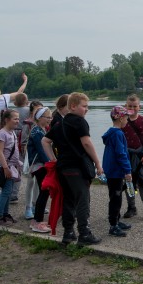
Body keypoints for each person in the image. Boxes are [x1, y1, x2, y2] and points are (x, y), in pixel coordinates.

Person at [45, 92, 103, 246]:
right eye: (84, 106)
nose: (86, 110)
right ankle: (84, 233)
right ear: (73, 106)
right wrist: (98, 163)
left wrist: (53, 159)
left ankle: (68, 232)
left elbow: (45, 141)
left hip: (63, 167)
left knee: (69, 200)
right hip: (77, 167)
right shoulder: (79, 122)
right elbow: (86, 143)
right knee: (83, 199)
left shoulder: (59, 123)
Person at [101, 105, 135, 238]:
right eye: (126, 117)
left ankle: (117, 220)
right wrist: (128, 171)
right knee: (116, 198)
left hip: (112, 171)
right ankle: (113, 225)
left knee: (116, 196)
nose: (128, 119)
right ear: (120, 118)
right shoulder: (118, 134)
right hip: (116, 172)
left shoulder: (112, 133)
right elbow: (121, 154)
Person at [0, 108, 23, 225]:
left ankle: (5, 214)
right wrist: (5, 168)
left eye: (18, 119)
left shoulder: (12, 132)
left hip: (12, 166)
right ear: (7, 120)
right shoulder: (2, 133)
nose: (17, 121)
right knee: (6, 191)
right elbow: (0, 152)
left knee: (8, 191)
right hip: (6, 166)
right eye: (15, 119)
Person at [26, 106, 54, 233]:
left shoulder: (42, 129)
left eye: (50, 117)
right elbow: (42, 151)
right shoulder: (37, 132)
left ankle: (37, 220)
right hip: (39, 166)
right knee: (44, 192)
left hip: (42, 165)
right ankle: (37, 221)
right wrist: (51, 164)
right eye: (48, 117)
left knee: (44, 192)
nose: (50, 119)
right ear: (40, 118)